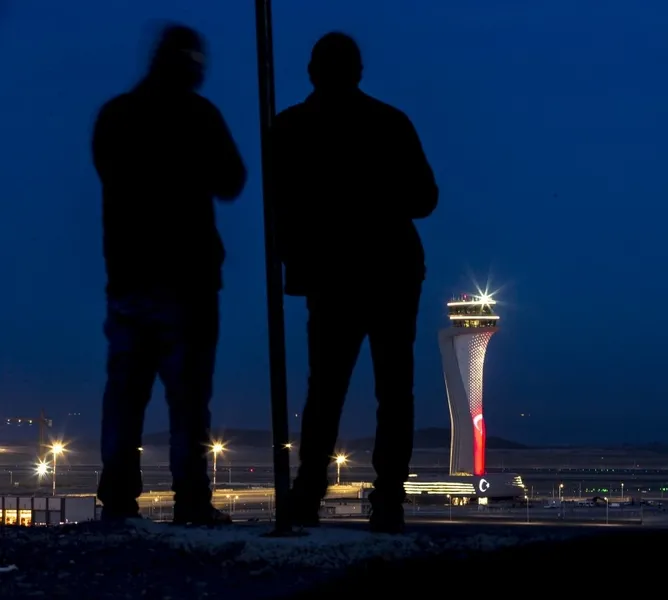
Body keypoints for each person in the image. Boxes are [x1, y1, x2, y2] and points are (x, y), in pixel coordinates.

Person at [273, 32, 438, 533]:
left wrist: (298, 253)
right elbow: (425, 198)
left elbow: (280, 207)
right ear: (358, 72)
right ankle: (389, 498)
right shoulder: (389, 122)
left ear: (312, 71)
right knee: (394, 388)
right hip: (390, 269)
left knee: (325, 388)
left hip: (332, 274)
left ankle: (308, 492)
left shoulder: (291, 126)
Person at [92, 24, 246, 525]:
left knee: (125, 394)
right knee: (188, 399)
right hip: (188, 278)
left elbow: (108, 173)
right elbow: (232, 179)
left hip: (128, 277)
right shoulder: (198, 116)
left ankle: (118, 499)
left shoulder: (116, 116)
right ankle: (191, 499)